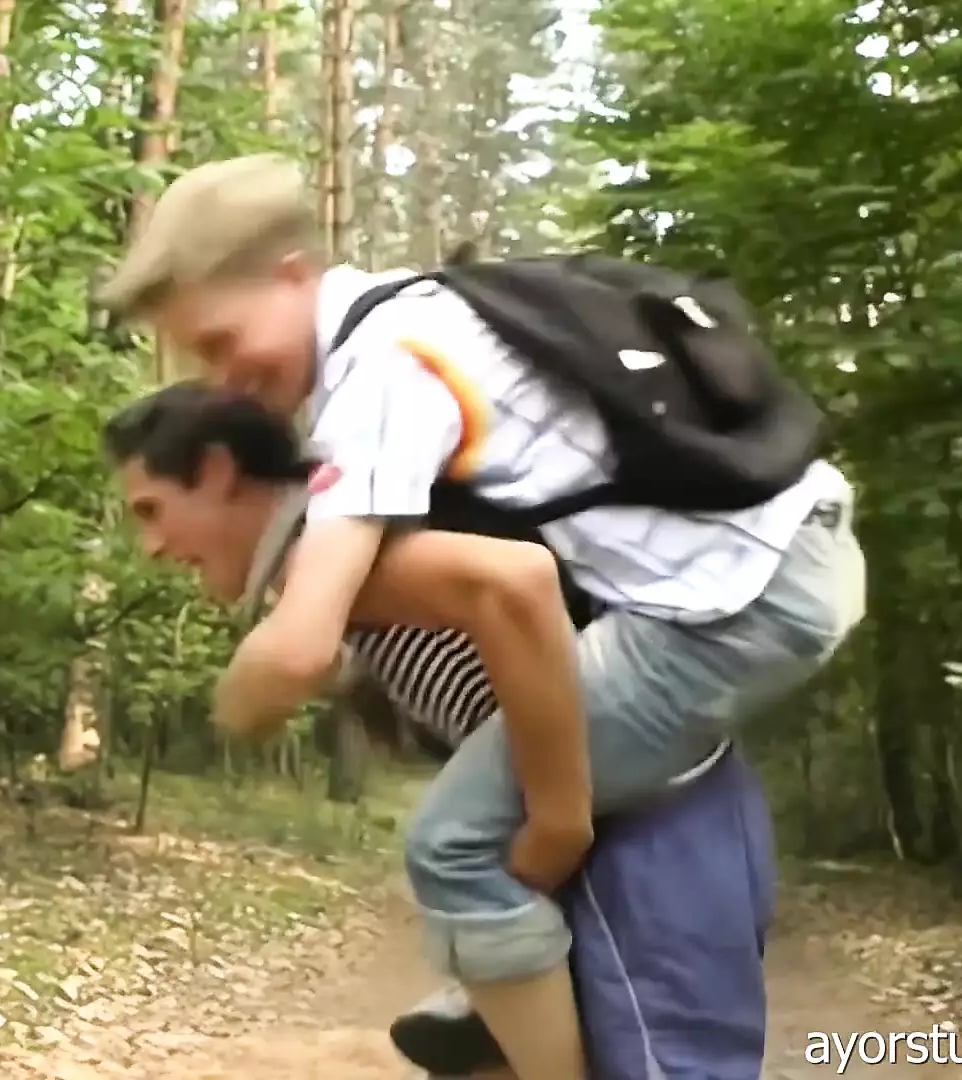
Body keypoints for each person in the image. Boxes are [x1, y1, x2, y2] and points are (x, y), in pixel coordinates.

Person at [95, 154, 865, 1079]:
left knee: (455, 844)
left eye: (221, 344)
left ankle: (515, 1020)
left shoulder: (385, 363)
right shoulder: (413, 324)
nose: (221, 385)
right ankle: (497, 992)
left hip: (730, 600)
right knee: (494, 859)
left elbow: (318, 636)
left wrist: (556, 816)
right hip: (757, 571)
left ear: (293, 276)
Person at [101, 381, 779, 1079]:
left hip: (648, 826)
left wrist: (557, 816)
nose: (150, 546)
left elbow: (512, 583)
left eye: (152, 510)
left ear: (218, 472)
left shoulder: (340, 543)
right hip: (642, 814)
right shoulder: (339, 558)